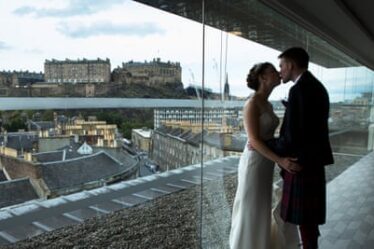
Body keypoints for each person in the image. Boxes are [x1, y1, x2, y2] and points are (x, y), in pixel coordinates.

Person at [267, 47, 334, 249]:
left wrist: (267, 144)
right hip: (313, 163)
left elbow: (292, 138)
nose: (280, 71)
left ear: (291, 64)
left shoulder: (299, 90)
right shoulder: (318, 87)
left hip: (301, 164)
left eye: (281, 66)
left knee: (305, 221)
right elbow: (309, 126)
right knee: (309, 221)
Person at [229, 62, 301, 249]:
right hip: (254, 163)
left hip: (266, 162)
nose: (278, 72)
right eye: (272, 71)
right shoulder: (252, 103)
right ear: (262, 77)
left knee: (262, 208)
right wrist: (281, 160)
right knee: (251, 208)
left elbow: (269, 137)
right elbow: (254, 140)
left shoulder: (267, 103)